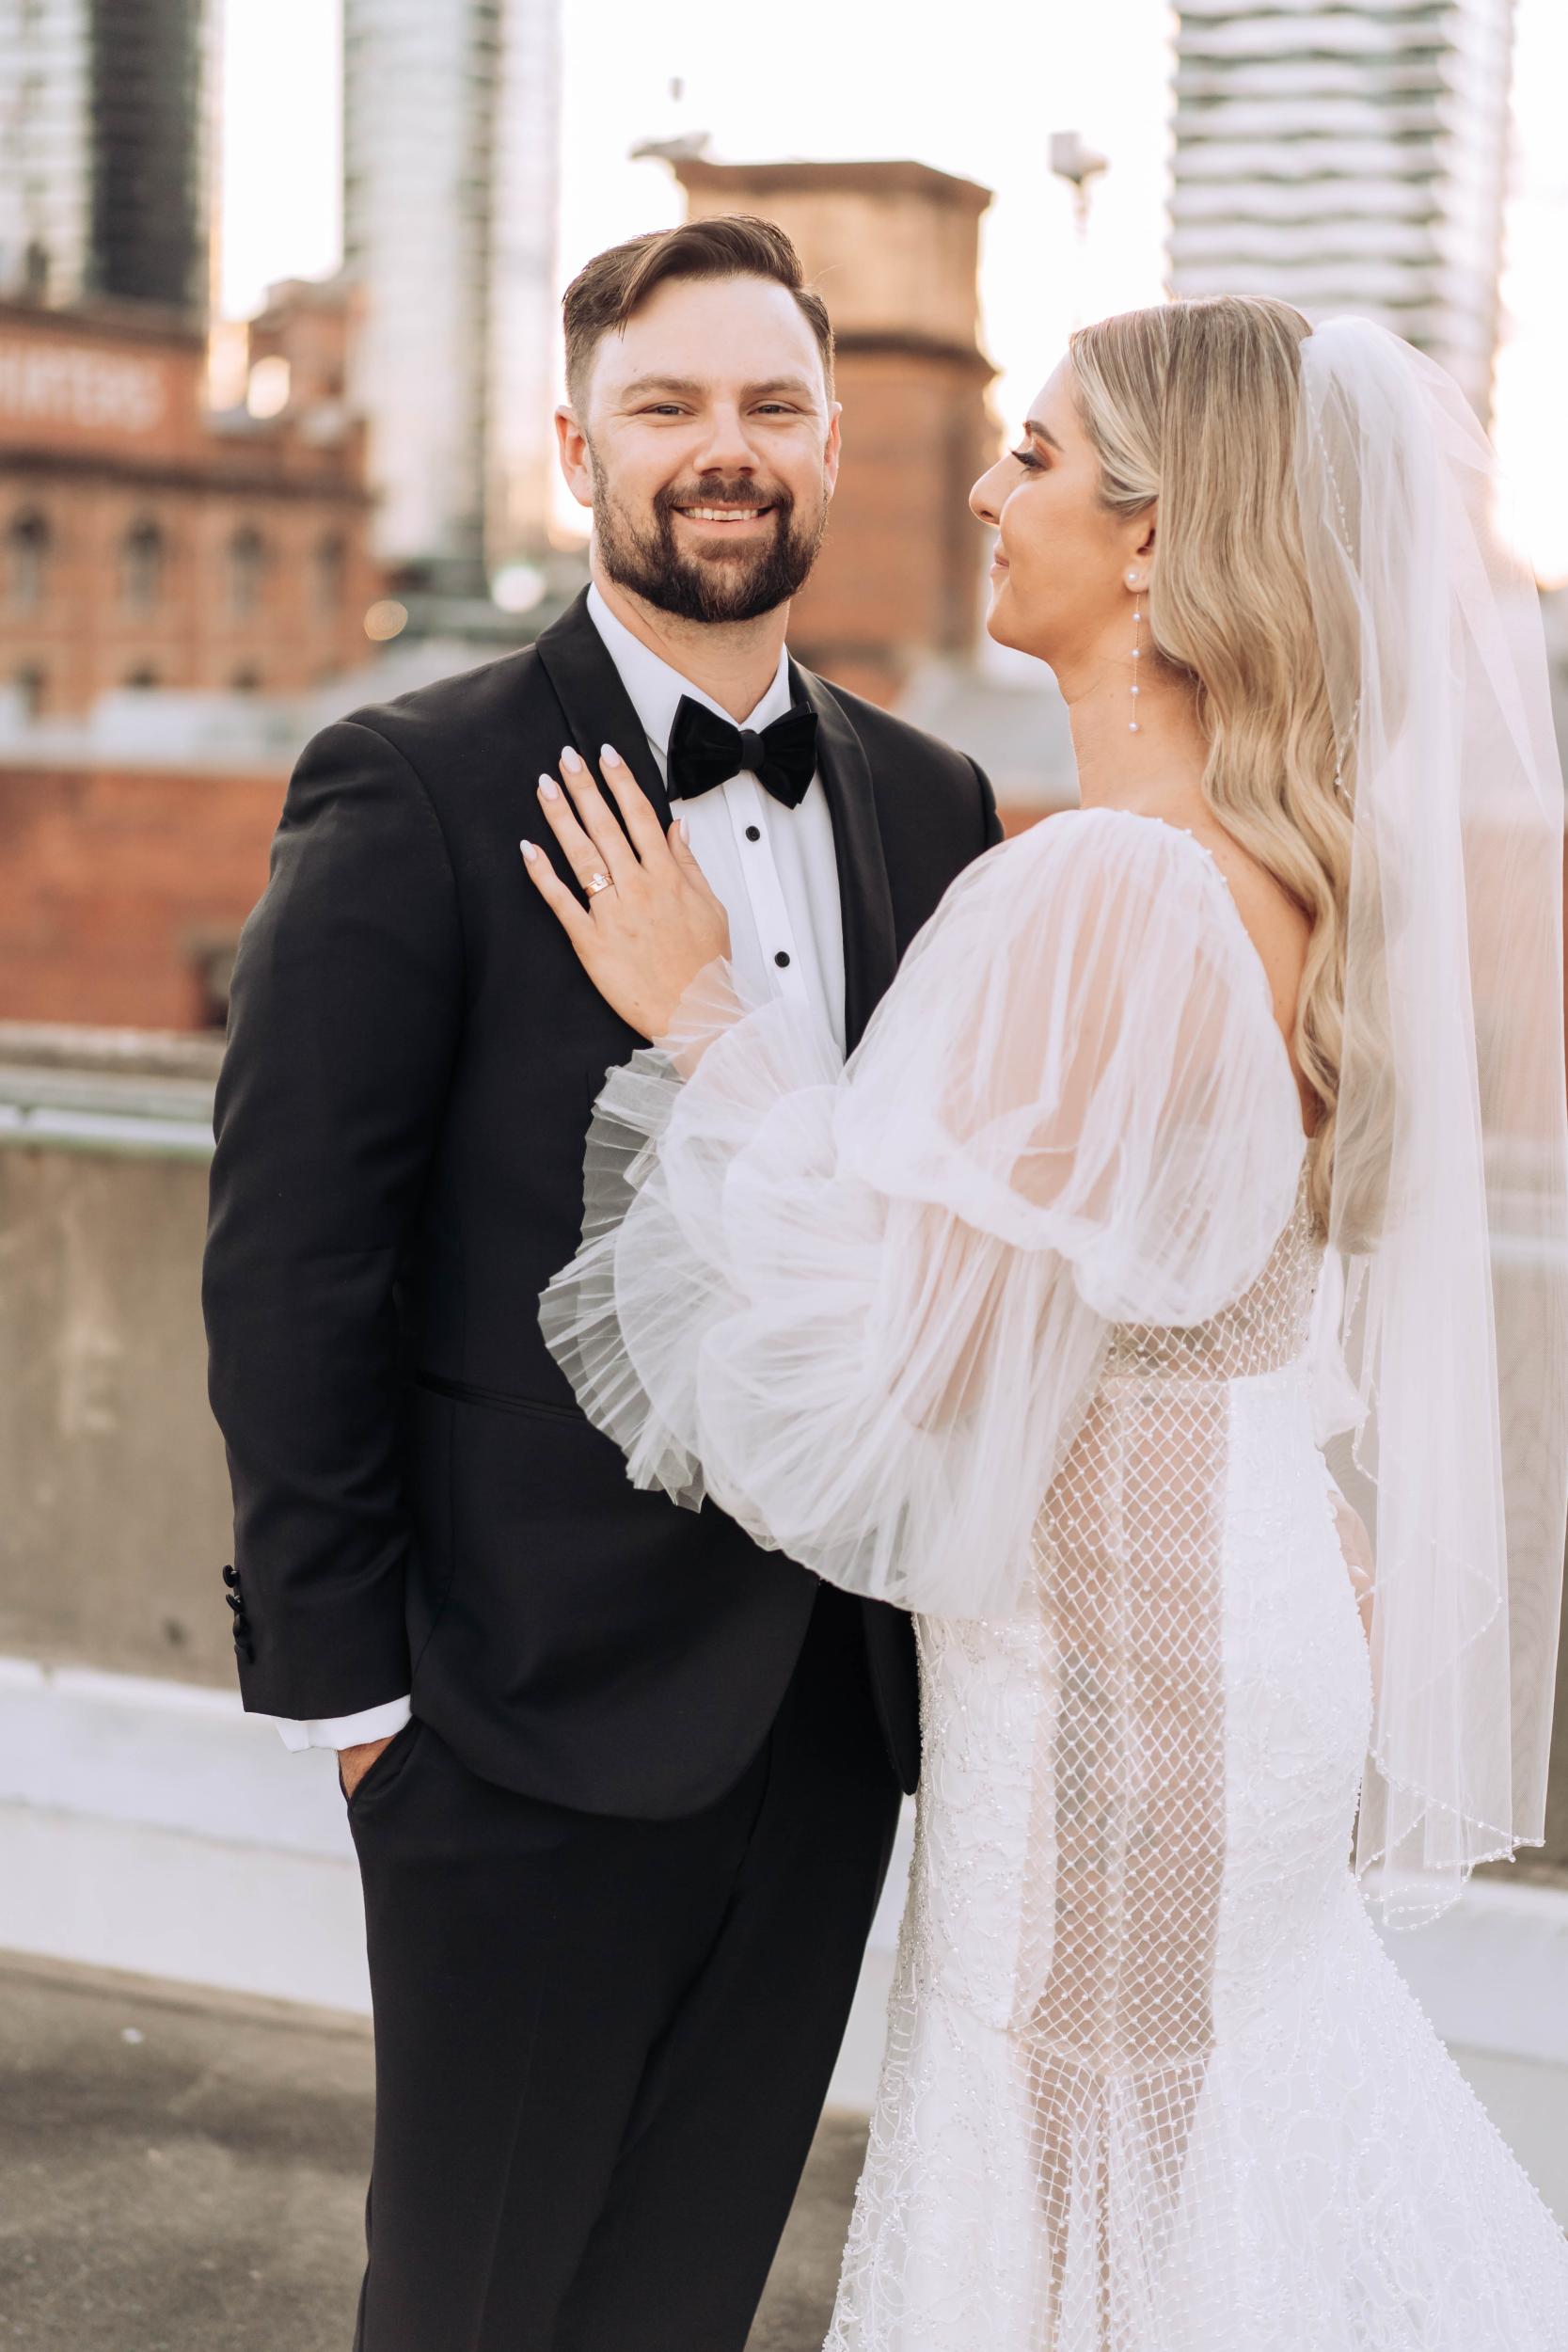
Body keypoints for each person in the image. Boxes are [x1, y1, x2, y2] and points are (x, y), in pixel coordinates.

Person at [533, 295, 1568, 2347]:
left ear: (1164, 540)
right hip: (1245, 1631)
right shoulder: (1291, 868)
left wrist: (706, 1019)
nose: (989, 493)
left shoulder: (1109, 885)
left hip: (1119, 1695)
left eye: (1038, 454)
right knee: (1210, 2157)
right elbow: (1231, 1298)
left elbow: (893, 1365)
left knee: (1095, 2214)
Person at [200, 215, 1000, 2351]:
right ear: (577, 449)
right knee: (465, 2307)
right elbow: (292, 1262)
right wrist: (358, 1701)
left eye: (768, 407)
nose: (721, 452)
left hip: (831, 1715)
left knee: (682, 2299)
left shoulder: (939, 809)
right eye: (668, 408)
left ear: (829, 445)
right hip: (509, 1722)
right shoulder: (418, 782)